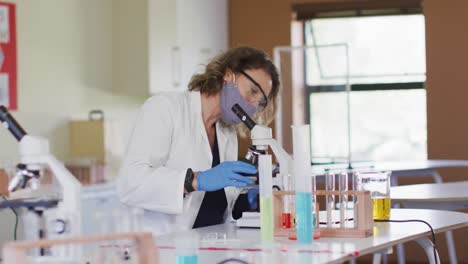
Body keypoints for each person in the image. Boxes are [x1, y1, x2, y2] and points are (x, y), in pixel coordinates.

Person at [117, 46, 280, 236]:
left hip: (210, 247)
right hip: (163, 248)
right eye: (252, 91)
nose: (253, 106)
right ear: (228, 75)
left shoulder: (226, 134)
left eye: (260, 102)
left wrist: (250, 199)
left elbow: (220, 200)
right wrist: (194, 180)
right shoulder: (166, 108)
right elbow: (130, 183)